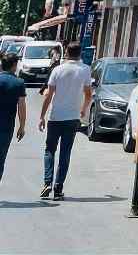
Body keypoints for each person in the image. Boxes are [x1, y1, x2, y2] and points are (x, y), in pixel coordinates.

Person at [38, 41, 92, 201]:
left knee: (49, 150)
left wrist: (42, 116)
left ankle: (47, 182)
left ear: (66, 53)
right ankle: (58, 188)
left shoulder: (57, 70)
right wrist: (83, 109)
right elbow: (88, 94)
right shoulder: (85, 70)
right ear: (80, 53)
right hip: (73, 118)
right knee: (65, 152)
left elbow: (48, 95)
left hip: (55, 117)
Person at [0, 52, 27, 185]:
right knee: (1, 158)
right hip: (6, 127)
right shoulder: (18, 83)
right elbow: (21, 107)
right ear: (14, 65)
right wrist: (22, 127)